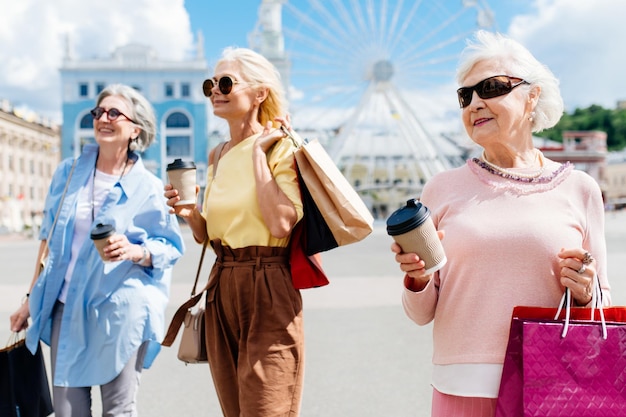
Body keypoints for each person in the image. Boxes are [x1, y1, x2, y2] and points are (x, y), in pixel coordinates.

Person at [391, 30, 610, 417]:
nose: (475, 102)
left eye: (491, 87)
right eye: (465, 95)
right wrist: (418, 278)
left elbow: (601, 304)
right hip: (461, 385)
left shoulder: (581, 189)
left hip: (553, 382)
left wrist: (584, 293)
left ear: (532, 96)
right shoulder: (441, 189)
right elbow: (420, 312)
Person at [10, 84, 185, 416]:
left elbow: (170, 247)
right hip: (66, 309)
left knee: (118, 410)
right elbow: (47, 240)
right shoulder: (69, 172)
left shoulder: (148, 187)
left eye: (114, 113)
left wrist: (135, 250)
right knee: (67, 410)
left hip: (119, 310)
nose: (104, 118)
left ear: (135, 129)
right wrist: (30, 300)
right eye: (99, 112)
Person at [164, 47, 304, 417]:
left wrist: (259, 155)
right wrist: (189, 211)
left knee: (267, 408)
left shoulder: (281, 146)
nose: (215, 90)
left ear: (260, 93)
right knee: (235, 409)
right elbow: (209, 235)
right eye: (211, 83)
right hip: (222, 283)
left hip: (269, 281)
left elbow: (280, 224)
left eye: (226, 82)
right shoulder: (217, 155)